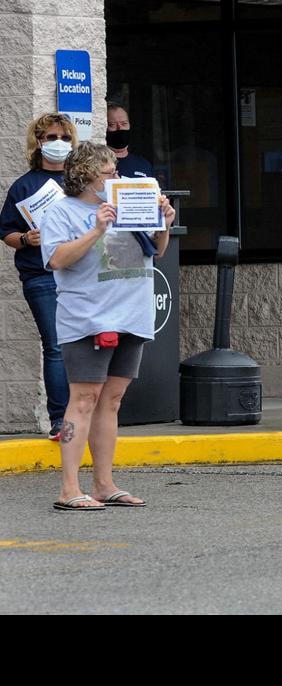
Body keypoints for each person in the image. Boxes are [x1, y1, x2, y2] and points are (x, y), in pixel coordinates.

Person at [37, 141, 176, 511]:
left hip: (132, 314)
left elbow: (157, 250)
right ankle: (69, 488)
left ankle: (104, 483)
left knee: (111, 401)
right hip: (88, 319)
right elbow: (55, 259)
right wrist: (96, 230)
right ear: (85, 176)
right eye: (108, 173)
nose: (117, 177)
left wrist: (164, 223)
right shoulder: (61, 212)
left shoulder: (129, 204)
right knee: (83, 399)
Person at [1, 114, 76, 440]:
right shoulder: (25, 185)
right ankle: (60, 420)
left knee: (86, 346)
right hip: (41, 275)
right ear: (38, 142)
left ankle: (83, 414)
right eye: (49, 137)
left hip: (80, 274)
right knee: (56, 345)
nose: (57, 143)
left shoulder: (80, 183)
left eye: (63, 136)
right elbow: (6, 231)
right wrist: (25, 239)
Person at [104, 103, 165, 187]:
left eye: (124, 124)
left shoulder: (143, 165)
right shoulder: (99, 165)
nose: (120, 128)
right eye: (112, 125)